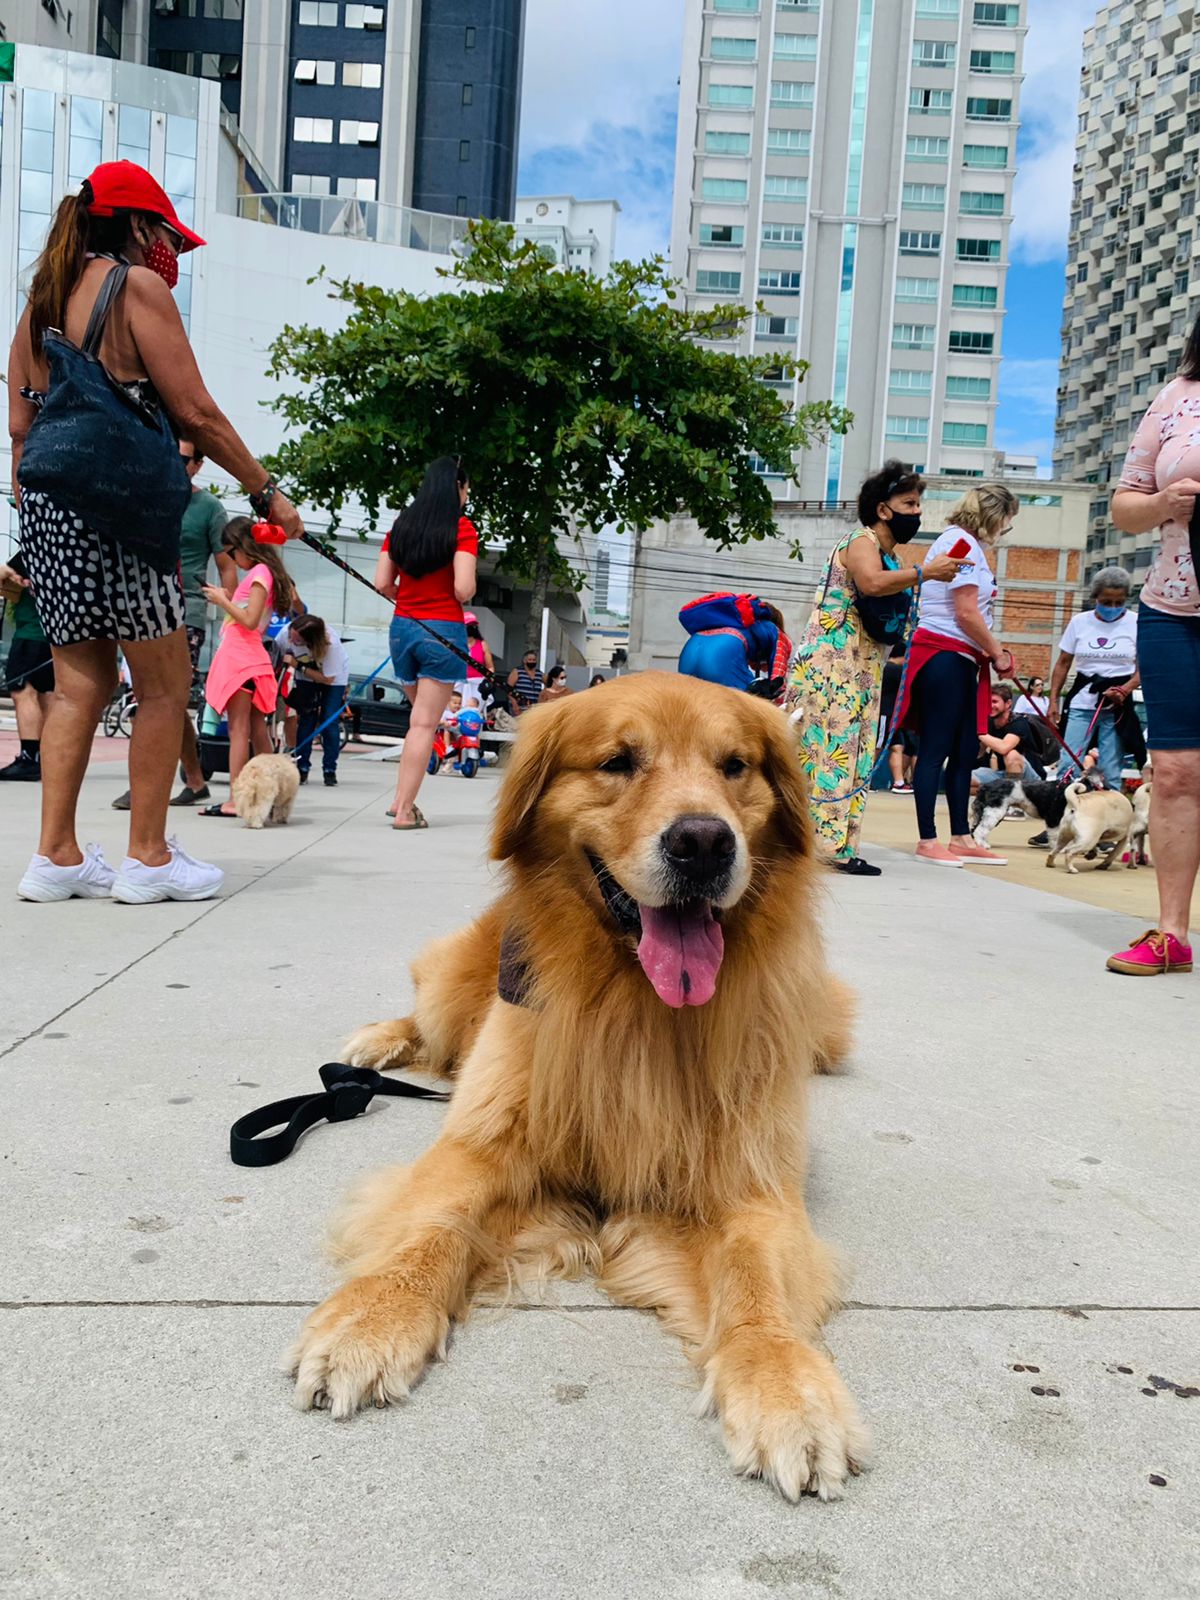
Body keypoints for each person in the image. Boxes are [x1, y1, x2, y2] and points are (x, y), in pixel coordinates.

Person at [7, 161, 302, 903]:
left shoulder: (40, 299)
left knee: (79, 687)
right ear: (137, 226)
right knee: (166, 684)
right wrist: (268, 493)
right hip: (124, 511)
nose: (170, 251)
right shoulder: (135, 286)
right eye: (166, 233)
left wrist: (39, 507)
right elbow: (195, 412)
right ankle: (147, 857)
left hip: (48, 506)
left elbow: (19, 427)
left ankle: (58, 856)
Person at [789, 461, 963, 876]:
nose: (916, 512)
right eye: (909, 503)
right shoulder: (862, 542)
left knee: (857, 751)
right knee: (830, 750)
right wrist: (925, 573)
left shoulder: (890, 555)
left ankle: (841, 847)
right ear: (883, 509)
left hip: (863, 666)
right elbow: (869, 583)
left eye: (918, 503)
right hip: (833, 662)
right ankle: (823, 848)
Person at [1104, 340, 1200, 975]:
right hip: (1173, 612)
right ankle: (1171, 935)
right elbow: (1123, 508)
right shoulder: (1174, 398)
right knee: (1173, 771)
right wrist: (1166, 504)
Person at [892, 482, 1019, 868]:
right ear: (992, 516)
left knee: (965, 748)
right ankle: (928, 838)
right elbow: (965, 611)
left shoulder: (971, 548)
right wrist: (997, 652)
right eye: (1006, 522)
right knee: (935, 748)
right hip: (943, 654)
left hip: (964, 657)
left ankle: (962, 835)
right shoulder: (960, 544)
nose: (1004, 530)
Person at [111, 436, 234, 811]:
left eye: (183, 460)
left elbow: (227, 567)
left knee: (167, 698)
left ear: (197, 465)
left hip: (188, 611)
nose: (175, 465)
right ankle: (193, 781)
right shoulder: (144, 498)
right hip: (140, 608)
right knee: (149, 699)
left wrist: (232, 623)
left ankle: (151, 785)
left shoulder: (209, 508)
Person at [374, 456, 477, 830]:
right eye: (466, 490)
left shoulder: (400, 527)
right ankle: (404, 811)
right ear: (457, 488)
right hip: (441, 632)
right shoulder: (461, 529)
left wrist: (410, 598)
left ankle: (399, 800)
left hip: (403, 629)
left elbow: (383, 582)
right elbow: (463, 588)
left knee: (418, 721)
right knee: (423, 725)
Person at [199, 519, 298, 816]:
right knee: (256, 729)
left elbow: (250, 620)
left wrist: (220, 601)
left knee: (239, 730)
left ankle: (236, 799)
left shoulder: (259, 573)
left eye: (230, 552)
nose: (231, 560)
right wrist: (230, 601)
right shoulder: (266, 573)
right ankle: (272, 794)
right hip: (252, 659)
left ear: (244, 546)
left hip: (241, 659)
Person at [1049, 567, 1144, 790]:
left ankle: (1111, 820)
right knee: (1068, 763)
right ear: (1095, 598)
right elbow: (1063, 663)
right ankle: (1064, 815)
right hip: (1082, 702)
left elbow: (1145, 667)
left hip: (1117, 705)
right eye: (1106, 601)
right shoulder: (1079, 622)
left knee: (1110, 768)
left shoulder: (1137, 622)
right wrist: (1053, 700)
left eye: (1118, 602)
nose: (1112, 607)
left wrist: (1125, 690)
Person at [279, 613, 349, 787]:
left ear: (310, 640)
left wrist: (299, 666)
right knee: (306, 720)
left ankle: (329, 769)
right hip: (306, 679)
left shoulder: (330, 644)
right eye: (291, 637)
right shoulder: (285, 634)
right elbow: (277, 656)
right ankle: (302, 768)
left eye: (297, 641)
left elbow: (328, 679)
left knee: (329, 721)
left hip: (333, 680)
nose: (291, 642)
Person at [0, 557, 54, 783]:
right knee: (47, 695)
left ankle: (29, 758)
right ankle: (50, 756)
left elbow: (5, 574)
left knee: (24, 691)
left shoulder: (31, 554)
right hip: (52, 636)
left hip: (31, 633)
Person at [680, 595, 791, 696]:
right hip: (719, 658)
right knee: (750, 705)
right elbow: (778, 680)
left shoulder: (735, 625)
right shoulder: (776, 633)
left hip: (689, 653)